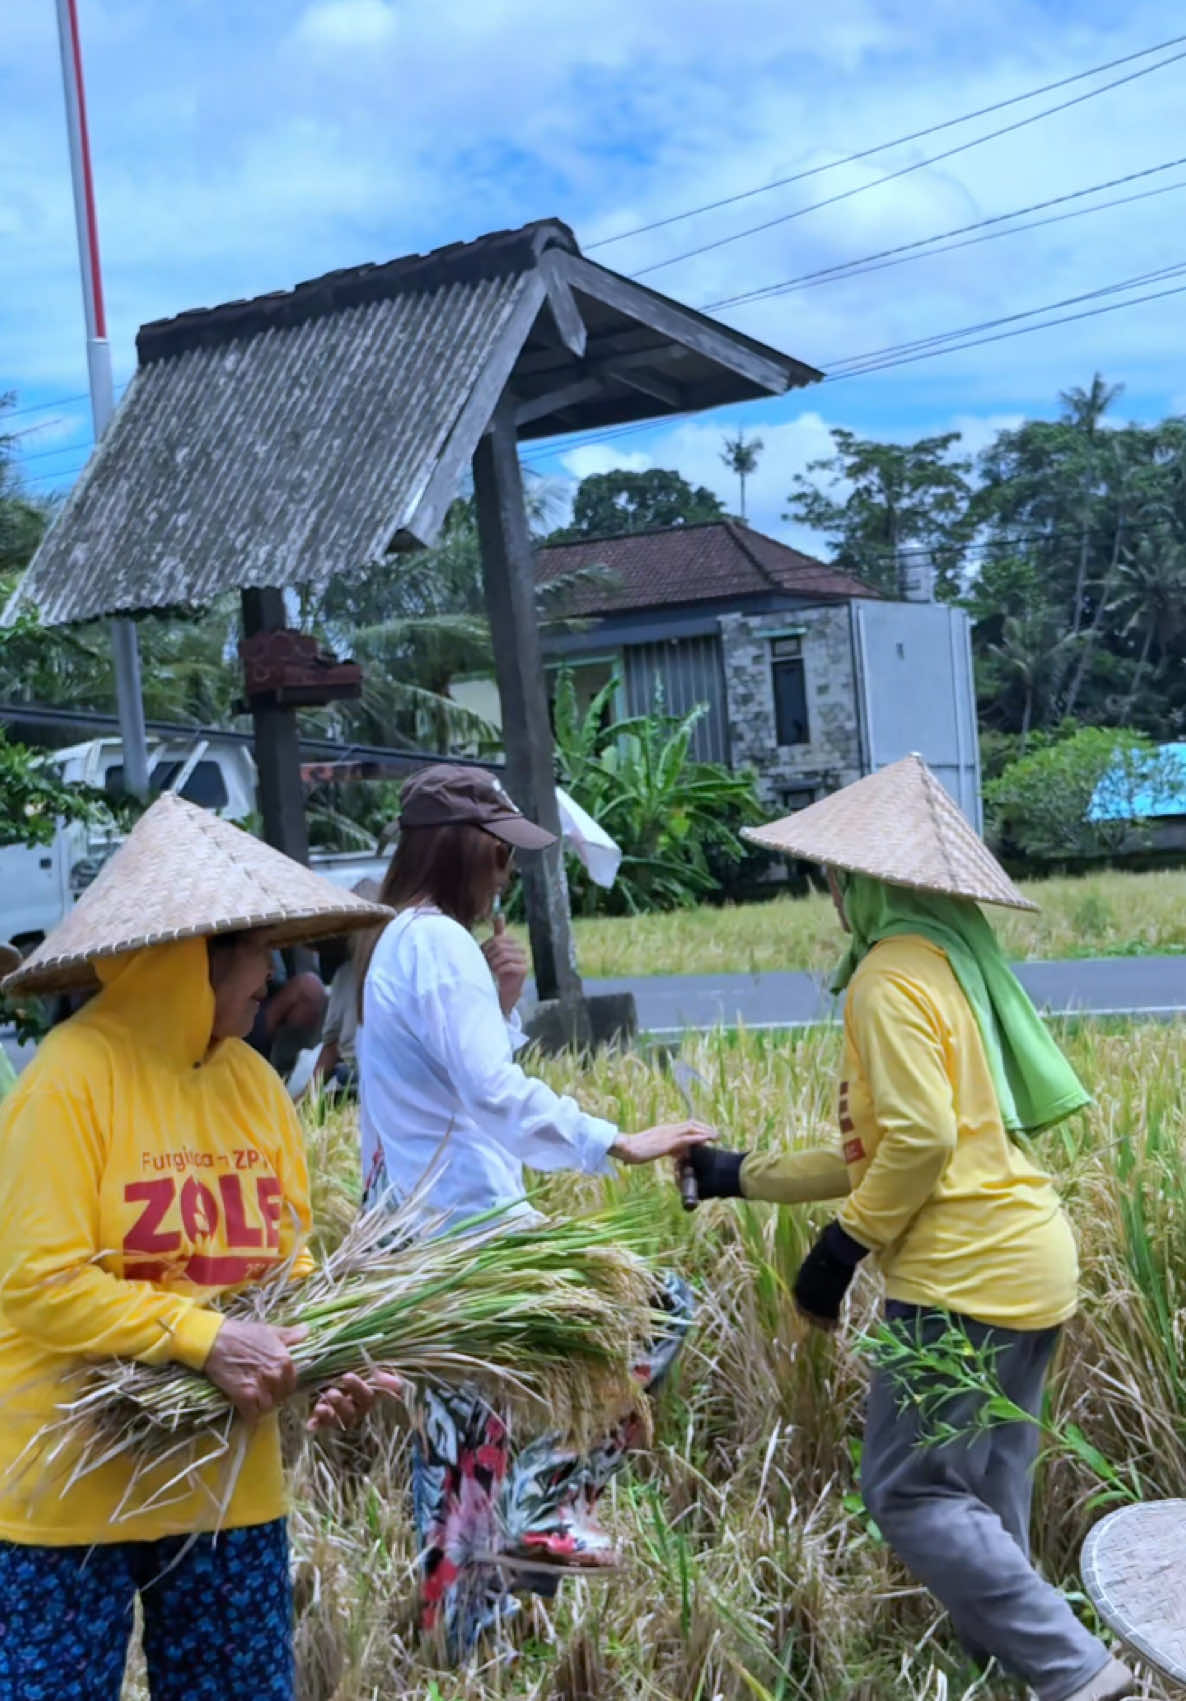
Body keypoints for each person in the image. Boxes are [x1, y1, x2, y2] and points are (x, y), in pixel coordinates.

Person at [681, 755, 1135, 1701]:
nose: (831, 892)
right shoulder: (950, 966)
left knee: (909, 1489)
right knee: (983, 1509)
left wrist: (835, 1255)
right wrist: (737, 1176)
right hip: (1029, 1258)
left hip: (963, 1276)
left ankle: (1083, 1677)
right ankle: (1040, 1683)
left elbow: (921, 1142)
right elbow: (880, 1150)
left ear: (863, 879)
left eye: (835, 876)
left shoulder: (885, 980)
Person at [0, 793, 398, 1701]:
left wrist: (332, 1352)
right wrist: (206, 1338)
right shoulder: (65, 1084)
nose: (274, 973)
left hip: (225, 1482)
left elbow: (282, 1268)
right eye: (256, 949)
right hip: (69, 1485)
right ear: (191, 957)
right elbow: (38, 1282)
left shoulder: (256, 1087)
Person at [355, 763, 712, 1656]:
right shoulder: (437, 945)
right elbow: (492, 1095)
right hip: (471, 1235)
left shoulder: (400, 943)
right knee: (658, 1305)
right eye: (500, 856)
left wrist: (503, 1001)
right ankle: (552, 1504)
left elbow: (442, 1085)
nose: (506, 876)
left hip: (422, 1241)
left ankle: (465, 1656)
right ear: (463, 850)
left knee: (461, 1460)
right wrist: (614, 1141)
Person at [308, 878, 382, 1098]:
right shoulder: (346, 975)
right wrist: (307, 1098)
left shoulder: (405, 971)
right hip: (353, 1081)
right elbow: (331, 1048)